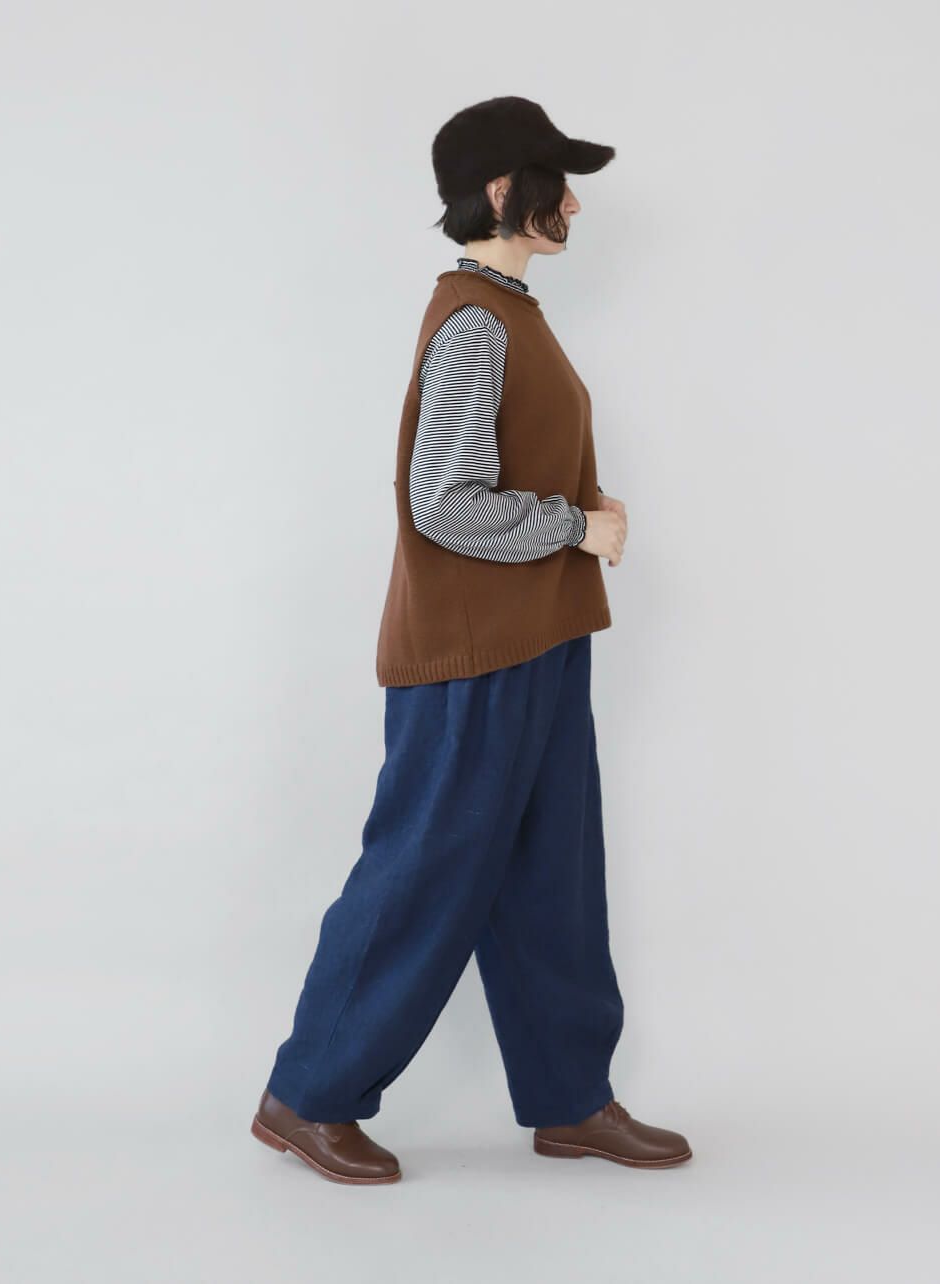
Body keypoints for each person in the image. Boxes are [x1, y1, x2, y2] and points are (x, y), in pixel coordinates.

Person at [250, 96, 692, 1185]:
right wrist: (574, 526)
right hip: (470, 659)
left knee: (554, 875)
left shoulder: (510, 312)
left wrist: (577, 520)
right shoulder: (474, 324)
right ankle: (307, 1096)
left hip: (536, 638)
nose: (574, 204)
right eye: (557, 182)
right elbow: (442, 502)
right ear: (502, 192)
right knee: (423, 870)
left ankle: (570, 1099)